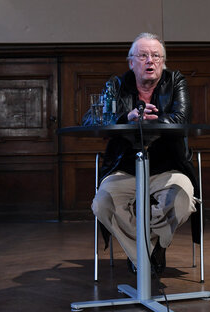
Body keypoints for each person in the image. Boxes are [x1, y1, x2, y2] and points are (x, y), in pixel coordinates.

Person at [82, 32, 200, 275]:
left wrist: (151, 120)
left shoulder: (175, 80)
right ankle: (149, 252)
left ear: (163, 62)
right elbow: (91, 122)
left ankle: (140, 252)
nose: (150, 61)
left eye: (156, 56)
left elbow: (182, 119)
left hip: (169, 167)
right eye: (143, 55)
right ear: (131, 62)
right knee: (102, 204)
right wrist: (128, 118)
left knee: (184, 200)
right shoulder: (116, 85)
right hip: (123, 168)